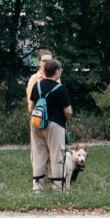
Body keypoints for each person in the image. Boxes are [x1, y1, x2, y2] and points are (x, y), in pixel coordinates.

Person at [27, 57, 72, 192]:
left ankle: (37, 188)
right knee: (57, 154)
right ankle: (58, 187)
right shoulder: (60, 88)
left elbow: (31, 106)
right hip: (55, 124)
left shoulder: (37, 85)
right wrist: (65, 122)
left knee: (38, 154)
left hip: (36, 124)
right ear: (57, 71)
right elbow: (68, 111)